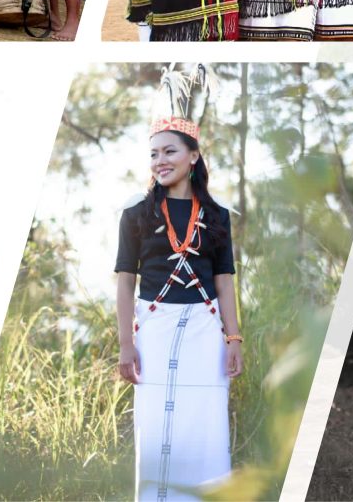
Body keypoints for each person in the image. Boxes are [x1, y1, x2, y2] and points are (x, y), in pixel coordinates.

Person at [112, 111, 242, 501]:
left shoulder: (217, 215)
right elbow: (125, 279)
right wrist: (124, 343)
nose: (160, 161)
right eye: (153, 154)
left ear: (193, 156)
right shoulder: (136, 213)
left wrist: (233, 336)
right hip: (153, 328)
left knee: (205, 424)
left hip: (205, 331)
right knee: (155, 427)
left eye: (170, 151)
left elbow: (223, 279)